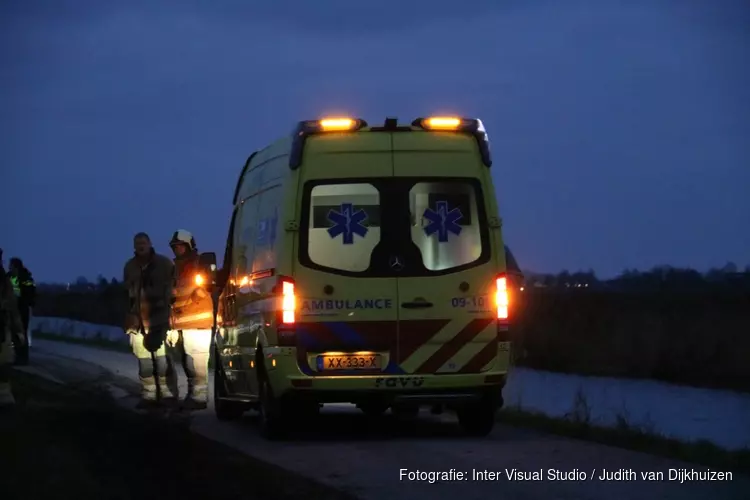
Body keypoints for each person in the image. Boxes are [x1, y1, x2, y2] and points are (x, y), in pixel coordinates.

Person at [123, 232, 177, 408]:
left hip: (159, 320)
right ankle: (149, 396)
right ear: (134, 245)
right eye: (137, 242)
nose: (141, 245)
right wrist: (129, 319)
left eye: (143, 242)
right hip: (138, 322)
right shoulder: (130, 267)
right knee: (145, 362)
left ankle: (167, 395)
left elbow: (174, 289)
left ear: (150, 243)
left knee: (162, 362)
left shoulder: (164, 264)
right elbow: (126, 295)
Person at [166, 230, 215, 409]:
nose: (177, 249)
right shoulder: (175, 268)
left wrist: (182, 302)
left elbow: (203, 289)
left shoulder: (199, 264)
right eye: (174, 247)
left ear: (188, 245)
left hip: (198, 322)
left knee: (197, 361)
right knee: (188, 362)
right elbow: (171, 297)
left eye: (180, 246)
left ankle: (199, 398)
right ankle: (192, 395)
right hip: (181, 323)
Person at [0, 248, 24, 407]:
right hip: (3, 325)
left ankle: (4, 395)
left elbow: (14, 306)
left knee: (4, 361)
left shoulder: (6, 280)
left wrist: (19, 330)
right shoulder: (5, 279)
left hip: (2, 326)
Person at [8, 257, 35, 365]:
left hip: (22, 308)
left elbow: (30, 292)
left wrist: (24, 301)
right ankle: (17, 356)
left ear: (16, 266)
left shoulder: (25, 277)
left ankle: (23, 358)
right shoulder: (9, 277)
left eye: (11, 266)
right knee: (14, 333)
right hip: (13, 308)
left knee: (22, 332)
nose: (9, 268)